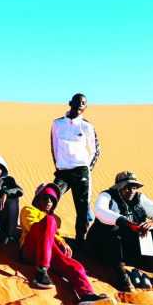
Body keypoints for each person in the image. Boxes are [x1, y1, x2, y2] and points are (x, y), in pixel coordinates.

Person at [20, 183, 113, 305]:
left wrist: (60, 243)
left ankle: (86, 295)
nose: (49, 201)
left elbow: (51, 237)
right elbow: (32, 227)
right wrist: (60, 241)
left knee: (74, 265)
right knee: (48, 221)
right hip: (30, 251)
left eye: (52, 199)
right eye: (45, 197)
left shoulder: (56, 218)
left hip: (47, 252)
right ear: (38, 198)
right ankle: (41, 273)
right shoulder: (29, 210)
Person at [88, 171, 153, 292]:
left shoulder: (139, 198)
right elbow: (100, 211)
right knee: (112, 224)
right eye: (127, 188)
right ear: (118, 187)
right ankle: (121, 274)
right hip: (103, 247)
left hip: (130, 248)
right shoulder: (106, 196)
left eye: (134, 188)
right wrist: (126, 223)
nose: (131, 191)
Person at [51, 93, 99, 248]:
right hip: (63, 171)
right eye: (78, 102)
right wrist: (58, 165)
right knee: (50, 196)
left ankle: (80, 239)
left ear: (85, 107)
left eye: (83, 103)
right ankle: (44, 229)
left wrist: (86, 168)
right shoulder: (57, 124)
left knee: (82, 205)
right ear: (70, 103)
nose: (80, 105)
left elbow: (95, 150)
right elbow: (54, 147)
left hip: (81, 170)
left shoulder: (87, 126)